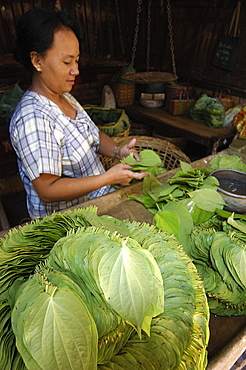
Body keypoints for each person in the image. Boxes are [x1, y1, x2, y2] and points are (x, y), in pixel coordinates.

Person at [9, 8, 146, 220]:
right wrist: (107, 179)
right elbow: (48, 190)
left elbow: (92, 135)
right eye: (67, 62)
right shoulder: (32, 118)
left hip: (99, 204)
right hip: (69, 224)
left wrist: (119, 151)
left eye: (77, 60)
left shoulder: (64, 96)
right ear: (37, 61)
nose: (76, 70)